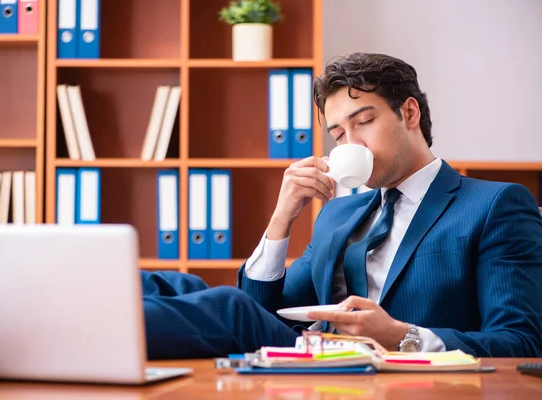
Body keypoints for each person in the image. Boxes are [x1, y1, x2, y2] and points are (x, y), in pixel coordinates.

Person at [143, 52, 542, 360]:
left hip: (388, 368)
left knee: (225, 307)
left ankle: (83, 332)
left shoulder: (493, 204)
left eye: (363, 121)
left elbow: (521, 341)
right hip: (316, 357)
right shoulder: (338, 213)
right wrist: (281, 219)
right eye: (338, 134)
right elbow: (265, 311)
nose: (350, 144)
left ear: (409, 112)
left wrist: (400, 335)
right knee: (175, 285)